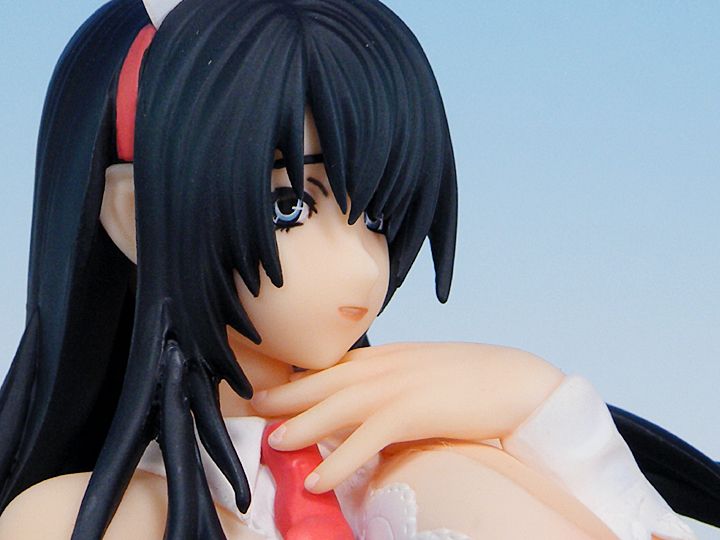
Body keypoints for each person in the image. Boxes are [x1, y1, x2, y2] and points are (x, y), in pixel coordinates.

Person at [0, 0, 718, 538]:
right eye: (288, 206)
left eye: (376, 214)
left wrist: (545, 411)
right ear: (138, 218)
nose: (359, 264)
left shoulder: (432, 465)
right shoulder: (86, 519)